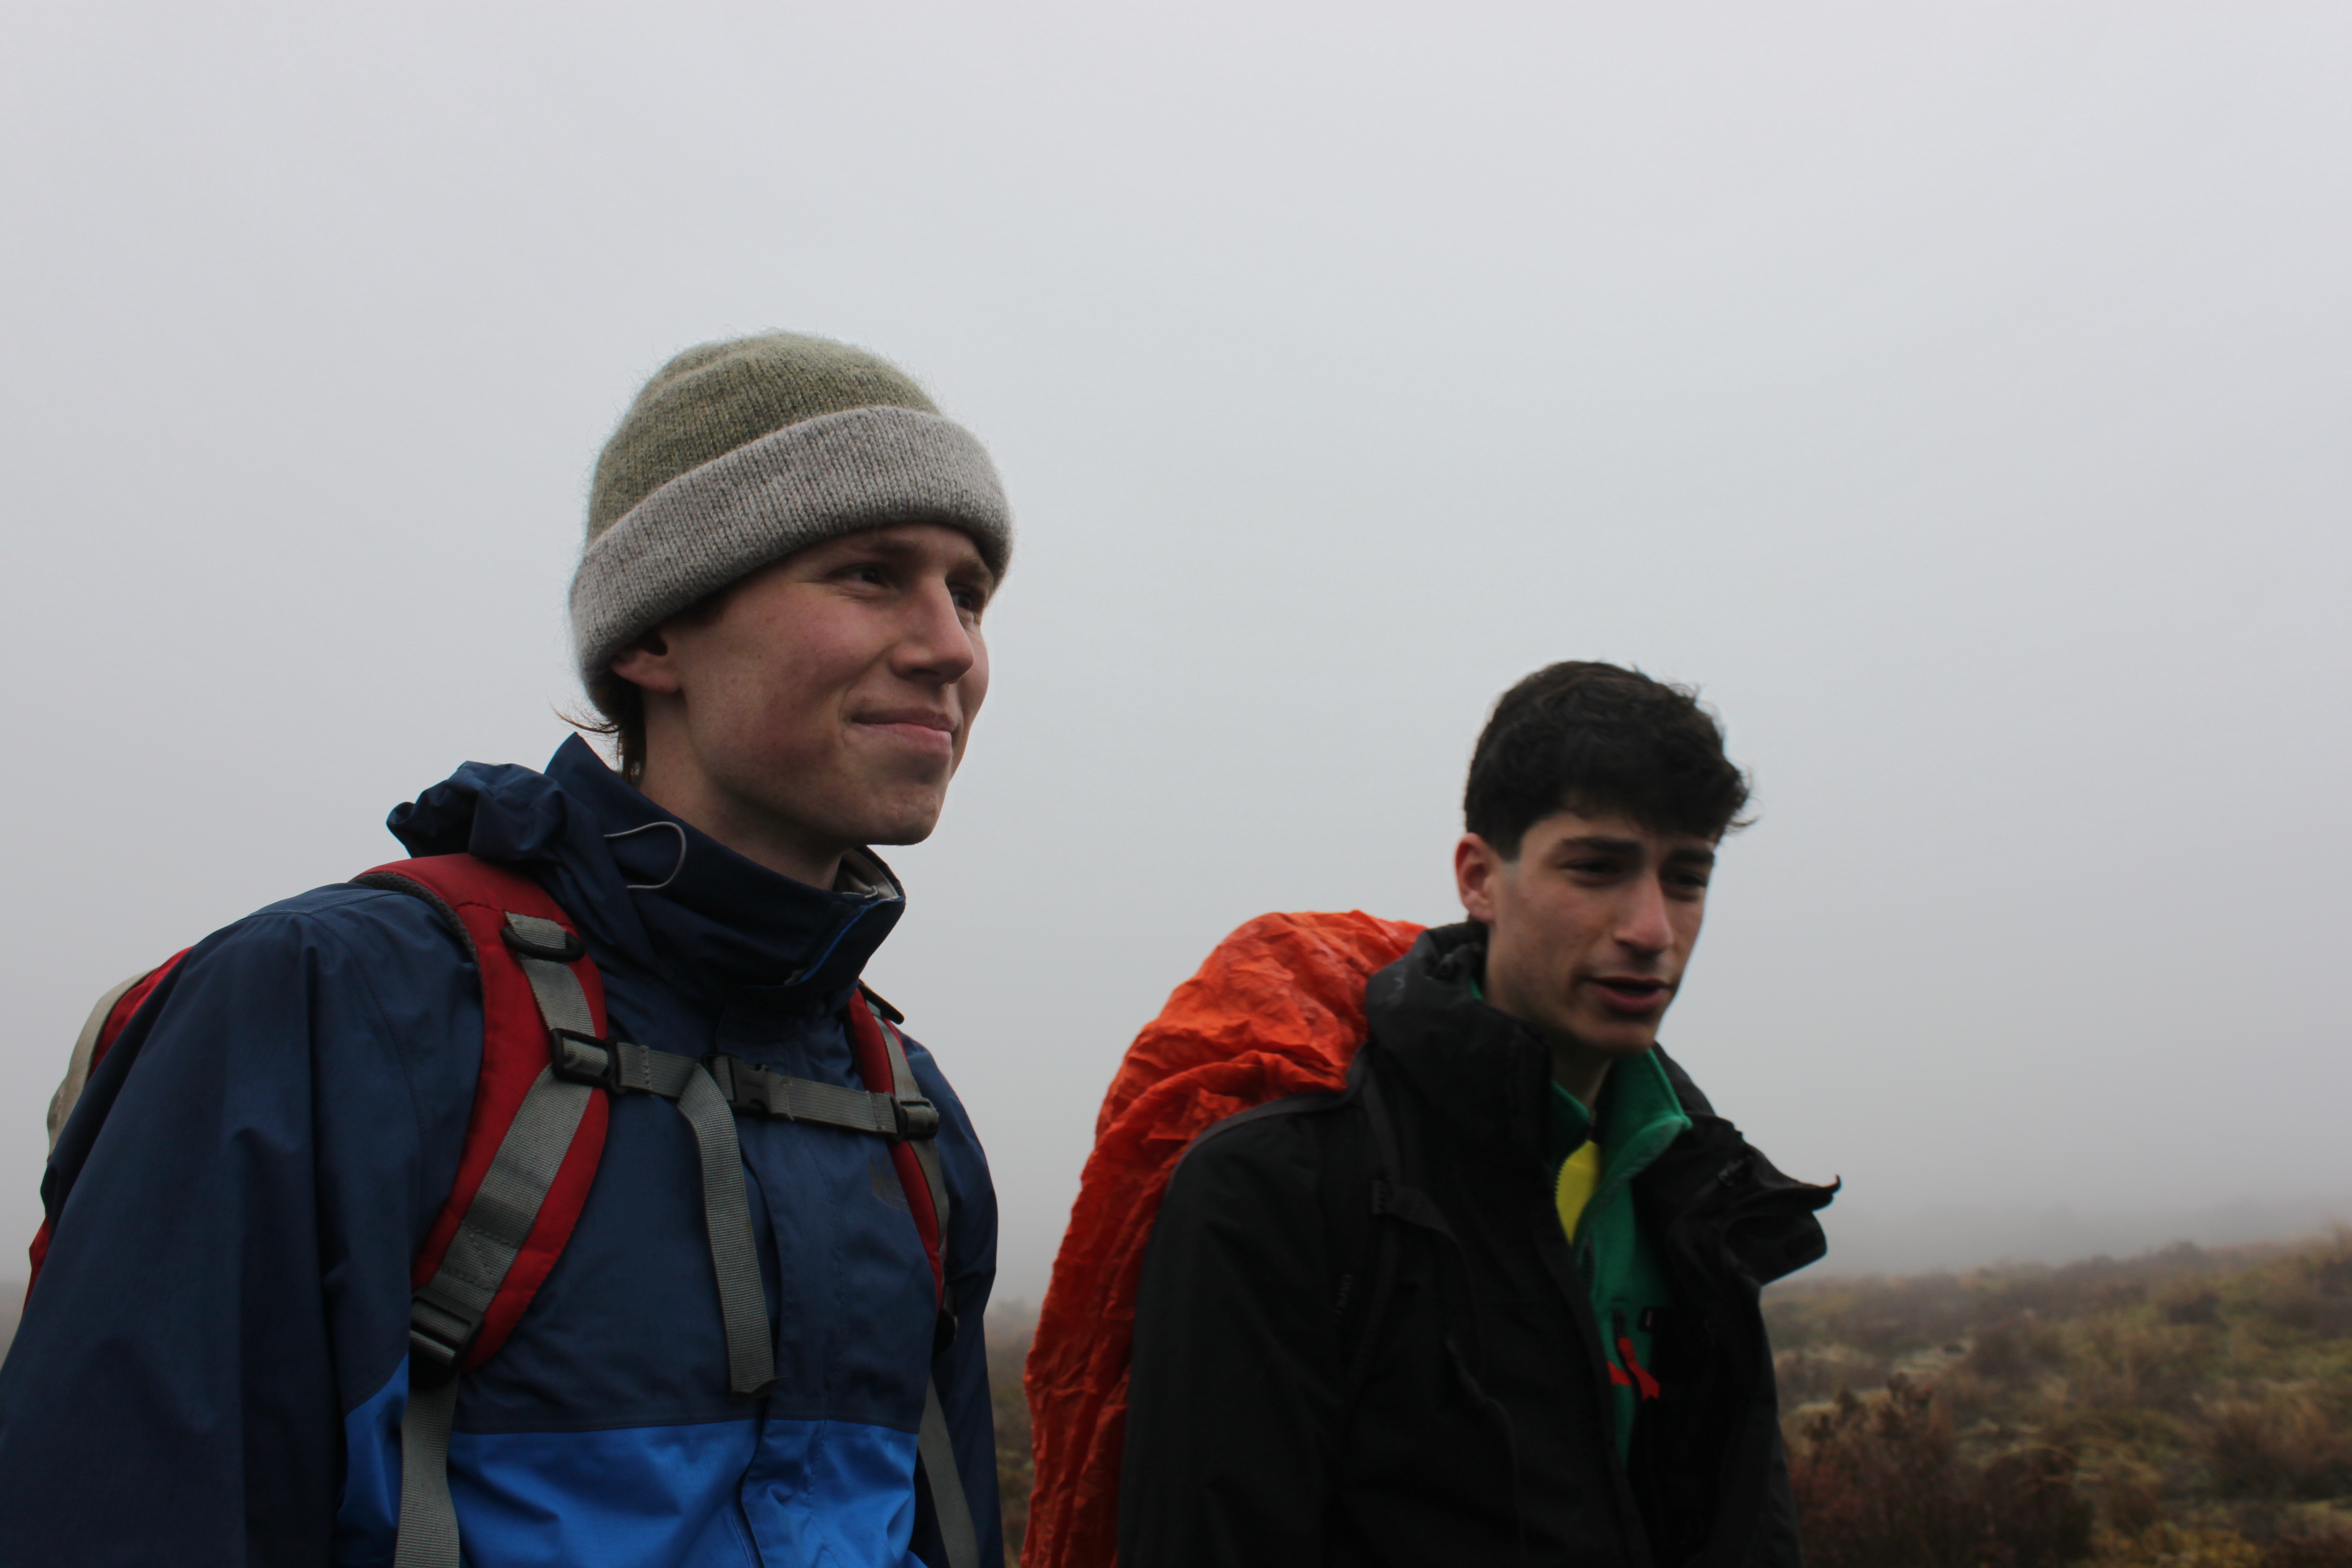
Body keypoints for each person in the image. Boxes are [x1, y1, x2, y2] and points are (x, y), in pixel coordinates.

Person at [0, 333, 1013, 1568]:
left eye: (969, 594)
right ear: (652, 637)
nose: (952, 648)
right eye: (869, 575)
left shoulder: (907, 1115)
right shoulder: (333, 1009)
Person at [1117, 661, 1834, 1568]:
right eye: (1597, 869)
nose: (1652, 929)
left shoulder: (1698, 1187)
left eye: (1687, 878)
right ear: (1479, 877)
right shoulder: (1278, 1187)